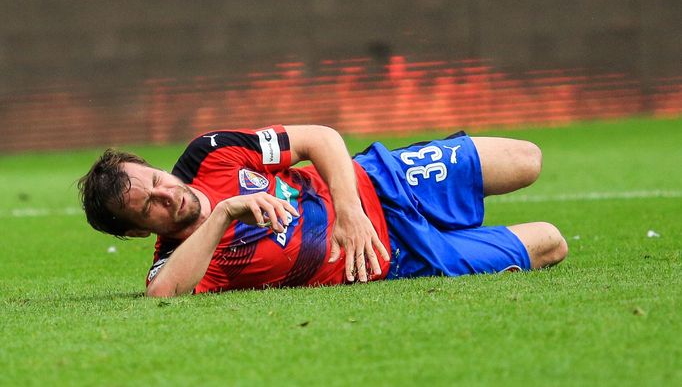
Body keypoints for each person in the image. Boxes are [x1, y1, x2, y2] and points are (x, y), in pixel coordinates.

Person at [78, 125, 568, 297]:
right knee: (551, 241)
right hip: (393, 258)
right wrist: (226, 212)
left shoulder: (210, 152)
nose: (169, 195)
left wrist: (351, 211)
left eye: (159, 181)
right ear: (141, 232)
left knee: (527, 159)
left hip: (382, 180)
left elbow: (320, 138)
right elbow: (162, 292)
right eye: (150, 207)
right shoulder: (184, 260)